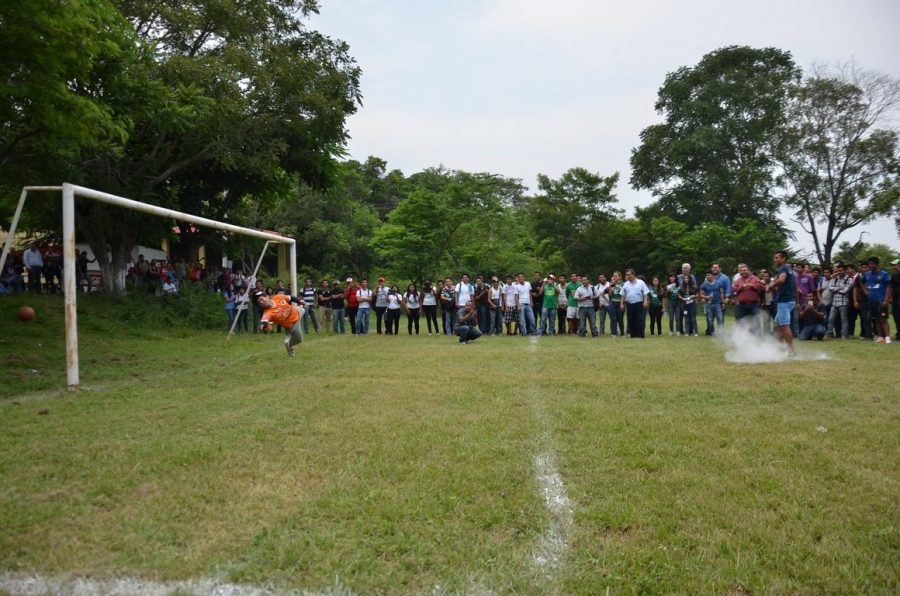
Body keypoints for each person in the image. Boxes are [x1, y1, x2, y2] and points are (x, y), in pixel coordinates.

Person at [251, 289, 305, 357]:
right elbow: (263, 322)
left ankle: (301, 308)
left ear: (267, 296)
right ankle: (289, 344)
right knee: (299, 339)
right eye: (259, 302)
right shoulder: (268, 313)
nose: (261, 302)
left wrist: (299, 300)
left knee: (303, 309)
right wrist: (263, 327)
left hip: (297, 312)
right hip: (293, 324)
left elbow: (291, 297)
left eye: (261, 299)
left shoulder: (278, 297)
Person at [770, 250, 797, 356]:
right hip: (789, 300)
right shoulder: (789, 269)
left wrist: (771, 286)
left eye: (777, 258)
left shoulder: (783, 268)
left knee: (785, 326)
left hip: (784, 302)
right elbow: (794, 286)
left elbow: (781, 280)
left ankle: (790, 351)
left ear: (783, 258)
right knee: (777, 324)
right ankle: (780, 348)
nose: (774, 260)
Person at [864, 256, 893, 343]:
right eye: (869, 264)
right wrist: (866, 291)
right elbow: (861, 282)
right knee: (875, 319)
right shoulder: (867, 274)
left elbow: (889, 287)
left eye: (872, 264)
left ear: (877, 264)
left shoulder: (884, 274)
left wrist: (886, 299)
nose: (870, 265)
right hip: (871, 300)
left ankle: (887, 337)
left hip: (880, 300)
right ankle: (880, 337)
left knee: (883, 319)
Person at [732, 263, 765, 333]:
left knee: (755, 320)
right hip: (741, 305)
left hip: (753, 304)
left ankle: (757, 336)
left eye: (745, 270)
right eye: (742, 271)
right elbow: (733, 289)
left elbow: (762, 287)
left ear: (749, 271)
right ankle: (743, 336)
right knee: (742, 320)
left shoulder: (755, 279)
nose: (743, 272)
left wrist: (752, 286)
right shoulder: (738, 280)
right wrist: (740, 288)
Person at [620, 269, 649, 339]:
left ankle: (640, 335)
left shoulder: (641, 282)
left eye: (629, 275)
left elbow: (645, 293)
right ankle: (633, 334)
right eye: (627, 275)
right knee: (630, 319)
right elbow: (623, 295)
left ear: (633, 274)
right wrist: (621, 304)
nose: (628, 276)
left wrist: (645, 301)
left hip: (639, 304)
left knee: (640, 319)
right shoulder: (625, 284)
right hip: (629, 304)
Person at [699, 269, 724, 336]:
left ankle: (720, 333)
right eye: (706, 275)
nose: (707, 276)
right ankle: (712, 332)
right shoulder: (704, 285)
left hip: (717, 303)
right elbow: (701, 294)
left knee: (720, 319)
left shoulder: (718, 283)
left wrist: (723, 302)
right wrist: (706, 297)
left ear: (712, 275)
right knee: (709, 320)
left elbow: (721, 293)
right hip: (708, 304)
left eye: (709, 275)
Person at [678, 272, 700, 337]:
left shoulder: (694, 286)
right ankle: (686, 332)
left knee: (693, 318)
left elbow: (698, 294)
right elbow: (679, 295)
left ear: (690, 279)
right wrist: (682, 298)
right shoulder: (682, 287)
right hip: (685, 304)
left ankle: (695, 332)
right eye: (685, 278)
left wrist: (694, 296)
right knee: (686, 318)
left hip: (692, 303)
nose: (686, 279)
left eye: (687, 278)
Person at [891, 259, 900, 341]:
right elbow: (891, 287)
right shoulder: (895, 275)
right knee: (896, 317)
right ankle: (898, 333)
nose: (893, 267)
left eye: (894, 265)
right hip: (895, 300)